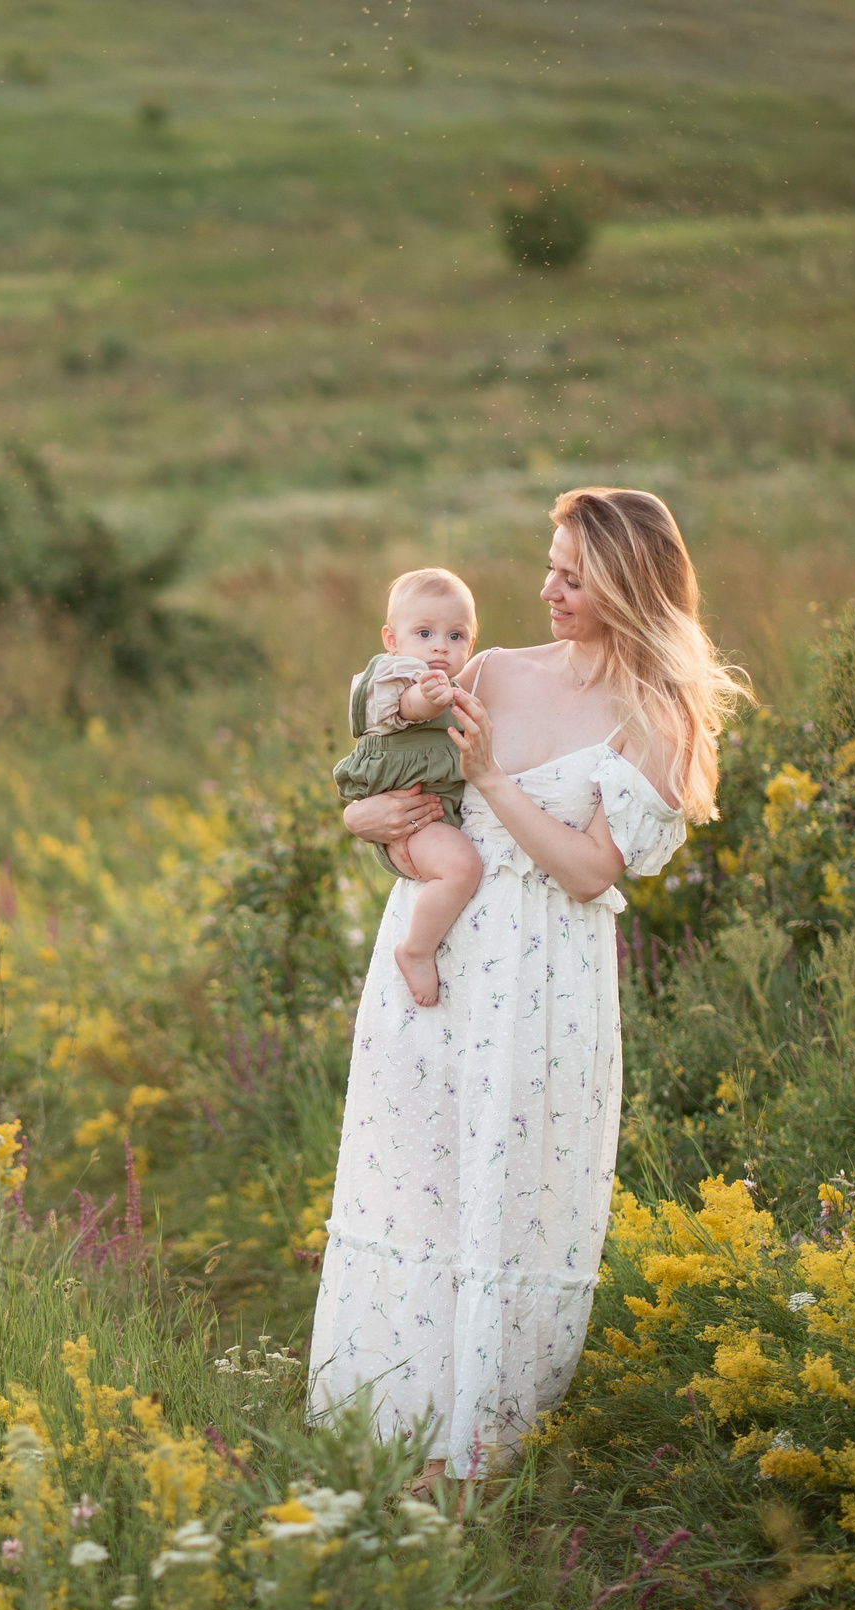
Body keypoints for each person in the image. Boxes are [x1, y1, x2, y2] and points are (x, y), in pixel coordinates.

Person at [306, 487, 746, 1490]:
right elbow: (401, 797)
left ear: (627, 588)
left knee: (514, 1195)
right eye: (548, 565)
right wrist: (362, 821)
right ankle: (390, 1434)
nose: (544, 589)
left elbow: (590, 874)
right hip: (438, 957)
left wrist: (498, 779)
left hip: (545, 981)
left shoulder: (657, 713)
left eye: (571, 577)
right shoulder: (494, 669)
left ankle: (478, 1453)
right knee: (415, 1181)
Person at [331, 567, 486, 1008]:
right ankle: (416, 950)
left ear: (471, 644)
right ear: (392, 639)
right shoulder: (394, 675)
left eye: (456, 636)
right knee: (462, 868)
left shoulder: (459, 686)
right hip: (410, 808)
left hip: (433, 808)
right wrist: (427, 699)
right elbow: (404, 709)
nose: (440, 645)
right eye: (424, 632)